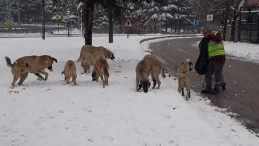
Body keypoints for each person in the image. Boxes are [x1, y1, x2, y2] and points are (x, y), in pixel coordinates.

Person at [199, 27, 226, 95]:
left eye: (205, 33)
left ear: (209, 32)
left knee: (217, 74)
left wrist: (209, 36)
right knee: (208, 74)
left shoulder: (217, 34)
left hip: (219, 58)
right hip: (212, 59)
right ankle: (208, 88)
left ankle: (216, 89)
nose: (204, 35)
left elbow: (218, 39)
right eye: (203, 34)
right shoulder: (207, 40)